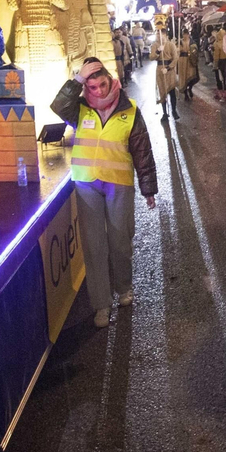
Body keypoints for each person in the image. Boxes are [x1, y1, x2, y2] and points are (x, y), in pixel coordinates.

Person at [59, 59, 158, 328]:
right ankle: (101, 305)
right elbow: (58, 105)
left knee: (120, 240)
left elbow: (142, 151)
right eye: (92, 86)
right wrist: (78, 80)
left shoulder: (129, 110)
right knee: (93, 247)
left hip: (118, 183)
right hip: (86, 184)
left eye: (103, 84)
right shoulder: (79, 109)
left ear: (111, 80)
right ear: (86, 88)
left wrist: (148, 188)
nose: (100, 91)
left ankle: (124, 287)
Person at [152, 24, 180, 121]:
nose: (159, 37)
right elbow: (151, 57)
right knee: (162, 91)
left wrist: (168, 68)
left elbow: (175, 58)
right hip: (160, 69)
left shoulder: (171, 45)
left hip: (169, 70)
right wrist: (158, 52)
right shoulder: (155, 45)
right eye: (157, 35)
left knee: (172, 91)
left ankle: (174, 111)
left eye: (161, 35)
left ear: (165, 35)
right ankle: (164, 113)